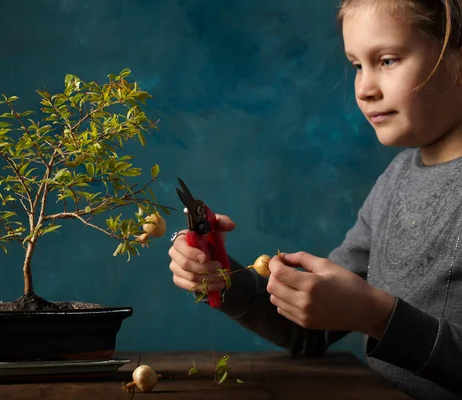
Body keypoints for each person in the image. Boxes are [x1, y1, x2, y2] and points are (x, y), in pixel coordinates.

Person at [167, 1, 462, 399]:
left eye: (388, 60)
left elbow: (370, 314)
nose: (365, 88)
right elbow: (309, 329)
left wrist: (377, 316)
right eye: (357, 65)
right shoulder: (395, 180)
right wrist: (223, 277)